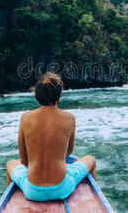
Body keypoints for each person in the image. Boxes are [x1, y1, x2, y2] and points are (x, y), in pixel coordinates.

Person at [5, 72, 97, 202]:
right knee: (91, 159)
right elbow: (69, 152)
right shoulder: (69, 118)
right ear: (59, 96)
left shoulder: (25, 118)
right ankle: (92, 200)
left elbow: (23, 159)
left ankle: (12, 203)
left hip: (32, 191)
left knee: (10, 163)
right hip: (62, 188)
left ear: (37, 96)